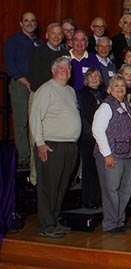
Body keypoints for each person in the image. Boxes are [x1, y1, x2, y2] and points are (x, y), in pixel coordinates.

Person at [30, 57, 81, 238]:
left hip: (69, 145)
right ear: (53, 71)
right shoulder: (45, 90)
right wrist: (40, 143)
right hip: (51, 145)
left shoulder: (70, 91)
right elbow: (35, 117)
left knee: (61, 186)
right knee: (49, 186)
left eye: (68, 68)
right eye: (61, 68)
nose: (65, 71)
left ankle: (55, 219)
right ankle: (46, 224)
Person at [91, 75, 131, 235]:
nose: (120, 89)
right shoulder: (106, 106)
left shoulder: (126, 105)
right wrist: (107, 154)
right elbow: (97, 130)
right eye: (116, 86)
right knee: (111, 190)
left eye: (122, 86)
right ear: (109, 89)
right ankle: (111, 224)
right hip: (112, 154)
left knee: (125, 190)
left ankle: (119, 220)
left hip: (128, 153)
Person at [5, 13, 41, 163]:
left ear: (36, 24)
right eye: (26, 20)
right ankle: (23, 159)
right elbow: (10, 65)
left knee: (36, 122)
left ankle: (35, 158)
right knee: (21, 123)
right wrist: (26, 83)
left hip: (37, 87)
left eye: (33, 20)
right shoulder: (13, 41)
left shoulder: (39, 43)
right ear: (21, 23)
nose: (29, 23)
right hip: (20, 85)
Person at [75, 68, 105, 209]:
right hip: (88, 137)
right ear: (86, 79)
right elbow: (84, 115)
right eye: (90, 76)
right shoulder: (81, 94)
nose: (94, 78)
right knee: (89, 169)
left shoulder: (104, 94)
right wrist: (93, 132)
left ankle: (99, 199)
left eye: (97, 76)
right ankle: (88, 199)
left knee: (101, 170)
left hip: (103, 138)